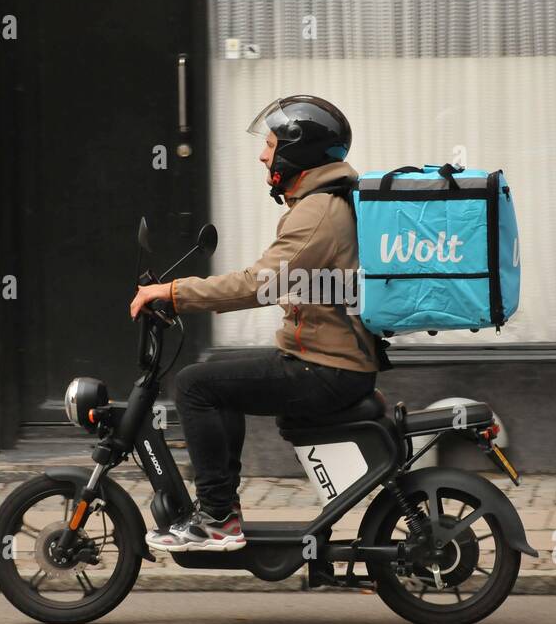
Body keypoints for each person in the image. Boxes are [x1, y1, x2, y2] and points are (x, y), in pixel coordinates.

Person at [129, 95, 381, 552]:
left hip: (327, 368)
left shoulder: (317, 213)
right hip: (323, 359)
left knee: (194, 386)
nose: (263, 155)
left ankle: (218, 519)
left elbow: (257, 284)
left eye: (270, 144)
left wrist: (174, 292)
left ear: (295, 153)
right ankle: (221, 510)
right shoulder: (322, 203)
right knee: (218, 385)